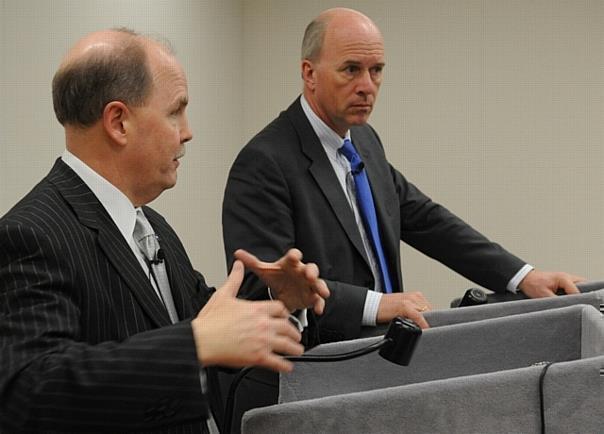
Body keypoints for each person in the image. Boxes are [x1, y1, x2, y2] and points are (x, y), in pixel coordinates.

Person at [0, 28, 329, 433]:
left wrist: (280, 304)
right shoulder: (29, 234)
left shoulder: (151, 225)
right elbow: (29, 393)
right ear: (119, 122)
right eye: (175, 111)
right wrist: (193, 345)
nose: (187, 131)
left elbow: (206, 327)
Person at [222, 7, 583, 344]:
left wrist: (523, 276)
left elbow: (426, 220)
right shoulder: (263, 162)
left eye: (376, 70)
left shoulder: (363, 139)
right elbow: (261, 289)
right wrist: (377, 305)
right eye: (351, 69)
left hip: (387, 354)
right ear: (309, 73)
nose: (367, 85)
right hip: (316, 372)